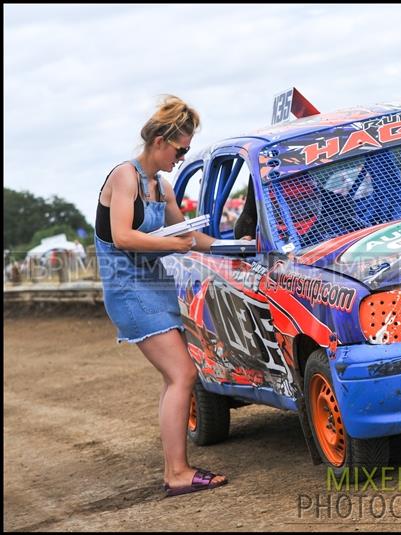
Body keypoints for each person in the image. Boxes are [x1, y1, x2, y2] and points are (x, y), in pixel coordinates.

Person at [94, 95, 228, 497]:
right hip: (129, 290)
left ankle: (176, 467)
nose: (181, 157)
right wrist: (177, 246)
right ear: (159, 141)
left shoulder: (161, 186)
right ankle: (176, 473)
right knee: (183, 374)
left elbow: (189, 235)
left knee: (176, 378)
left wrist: (235, 245)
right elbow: (122, 236)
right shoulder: (126, 177)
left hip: (155, 287)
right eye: (180, 149)